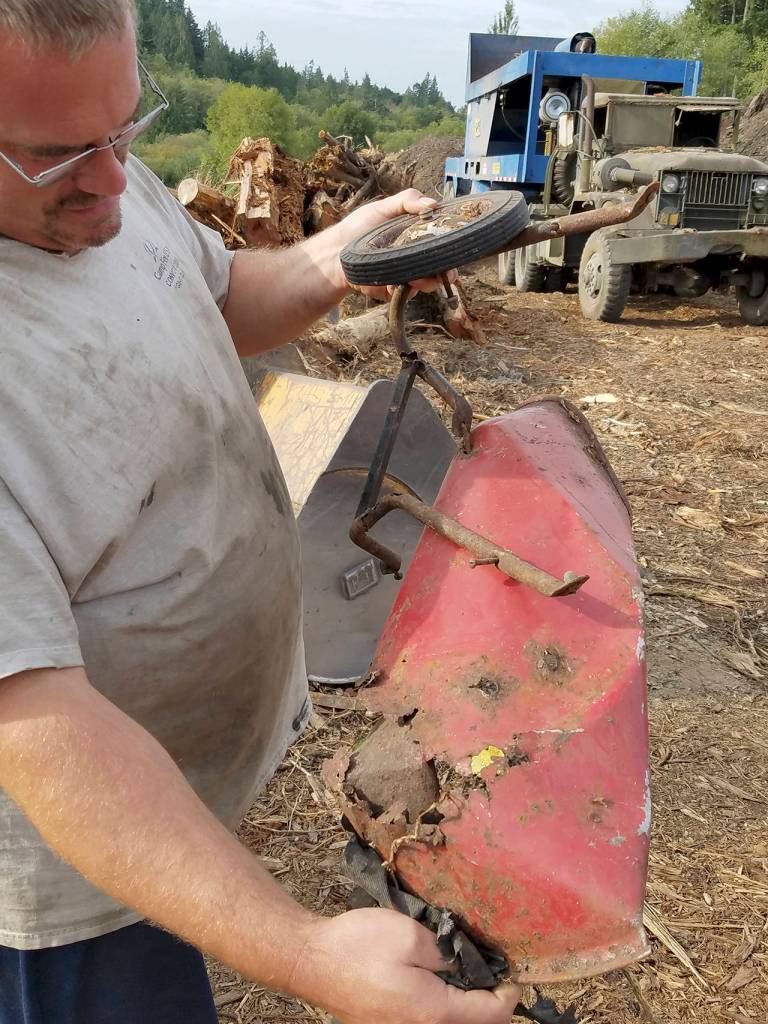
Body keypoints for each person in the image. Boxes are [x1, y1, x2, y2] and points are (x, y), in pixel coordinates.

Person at [0, 2, 523, 1022]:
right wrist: (303, 951)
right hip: (74, 875)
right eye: (56, 156)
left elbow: (222, 292)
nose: (113, 180)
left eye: (126, 128)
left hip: (169, 801)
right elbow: (36, 725)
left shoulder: (99, 182)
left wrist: (342, 258)